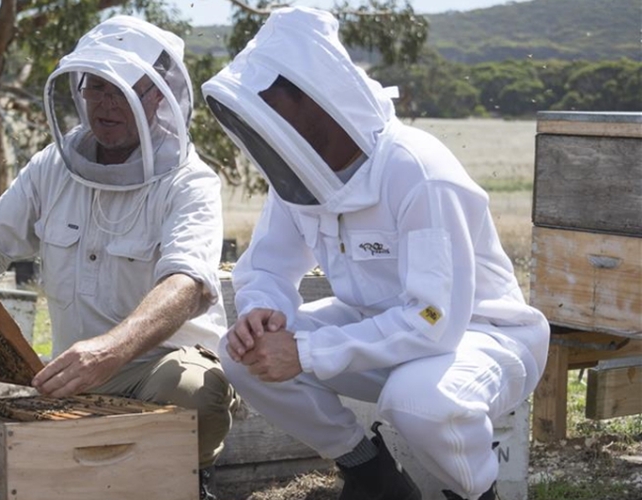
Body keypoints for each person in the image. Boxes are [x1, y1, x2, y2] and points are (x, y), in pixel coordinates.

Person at [201, 7, 548, 500]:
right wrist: (263, 312)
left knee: (417, 400)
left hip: (478, 335)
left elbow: (433, 318)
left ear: (318, 98)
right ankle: (372, 475)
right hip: (376, 331)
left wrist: (305, 351)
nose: (270, 127)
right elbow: (268, 265)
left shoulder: (416, 170)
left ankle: (477, 494)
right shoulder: (300, 174)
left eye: (275, 108)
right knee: (240, 358)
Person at [0, 15, 237, 500]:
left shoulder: (189, 182)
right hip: (73, 376)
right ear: (79, 89)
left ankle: (186, 482)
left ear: (156, 95)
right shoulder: (55, 164)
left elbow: (187, 284)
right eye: (96, 87)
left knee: (195, 390)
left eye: (123, 90)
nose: (106, 103)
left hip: (152, 369)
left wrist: (110, 351)